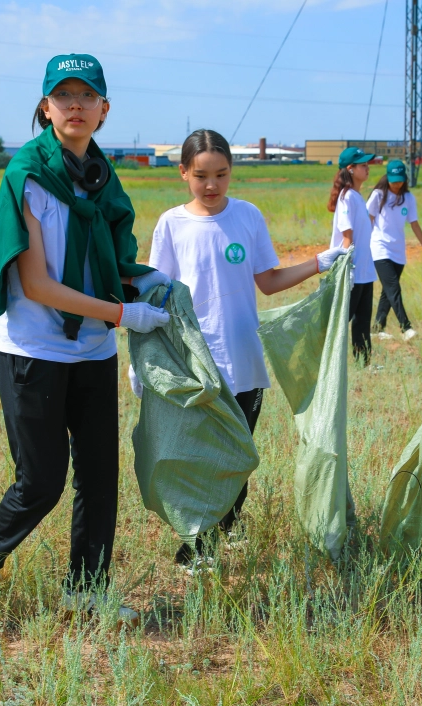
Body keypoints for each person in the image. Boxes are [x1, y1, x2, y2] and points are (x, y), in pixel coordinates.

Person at [0, 54, 172, 622]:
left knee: (101, 478)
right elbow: (38, 284)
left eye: (87, 96)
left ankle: (87, 589)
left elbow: (107, 260)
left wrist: (143, 277)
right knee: (42, 481)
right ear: (45, 107)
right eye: (63, 96)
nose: (75, 106)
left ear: (104, 109)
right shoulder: (29, 174)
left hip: (92, 347)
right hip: (34, 347)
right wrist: (123, 314)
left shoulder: (102, 176)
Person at [143, 128, 346, 573]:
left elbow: (267, 281)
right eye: (201, 176)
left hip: (245, 359)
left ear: (232, 172)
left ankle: (227, 524)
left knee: (238, 455)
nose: (211, 185)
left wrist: (318, 263)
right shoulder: (172, 224)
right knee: (201, 456)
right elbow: (157, 294)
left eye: (221, 174)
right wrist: (147, 364)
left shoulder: (248, 216)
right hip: (196, 362)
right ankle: (196, 546)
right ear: (183, 173)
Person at [366, 160, 422, 342]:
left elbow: (414, 223)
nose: (397, 184)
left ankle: (377, 328)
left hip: (398, 250)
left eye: (400, 180)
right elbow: (367, 220)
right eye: (393, 180)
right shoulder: (378, 196)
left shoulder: (408, 199)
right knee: (393, 288)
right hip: (379, 247)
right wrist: (362, 245)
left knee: (388, 291)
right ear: (387, 177)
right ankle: (406, 327)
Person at [328, 147, 378, 365]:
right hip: (353, 270)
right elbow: (346, 236)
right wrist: (346, 271)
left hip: (365, 271)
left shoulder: (357, 196)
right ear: (350, 169)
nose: (367, 168)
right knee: (342, 321)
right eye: (362, 165)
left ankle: (363, 362)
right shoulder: (346, 197)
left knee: (363, 321)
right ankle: (328, 361)